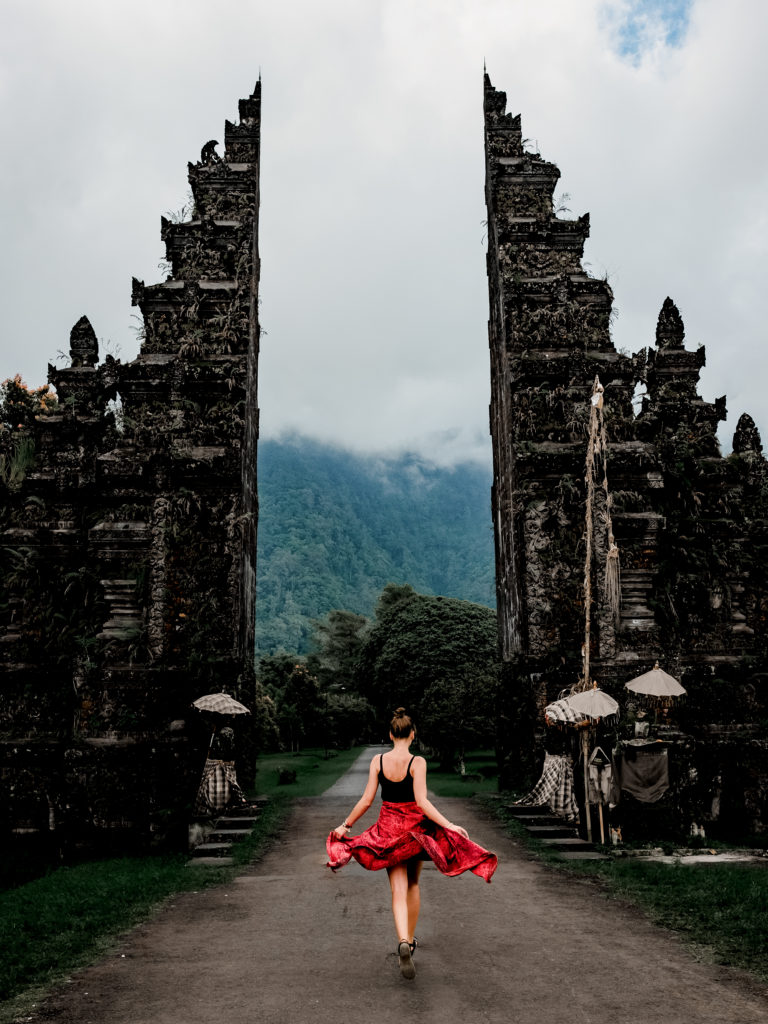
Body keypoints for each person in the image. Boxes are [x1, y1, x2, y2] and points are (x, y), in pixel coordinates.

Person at [326, 707, 497, 980]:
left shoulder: (378, 761)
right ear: (413, 735)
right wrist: (448, 825)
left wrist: (345, 825)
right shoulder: (417, 762)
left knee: (397, 890)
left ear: (391, 734)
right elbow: (422, 802)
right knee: (414, 884)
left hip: (388, 832)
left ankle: (403, 940)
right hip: (414, 832)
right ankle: (411, 941)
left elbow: (367, 800)